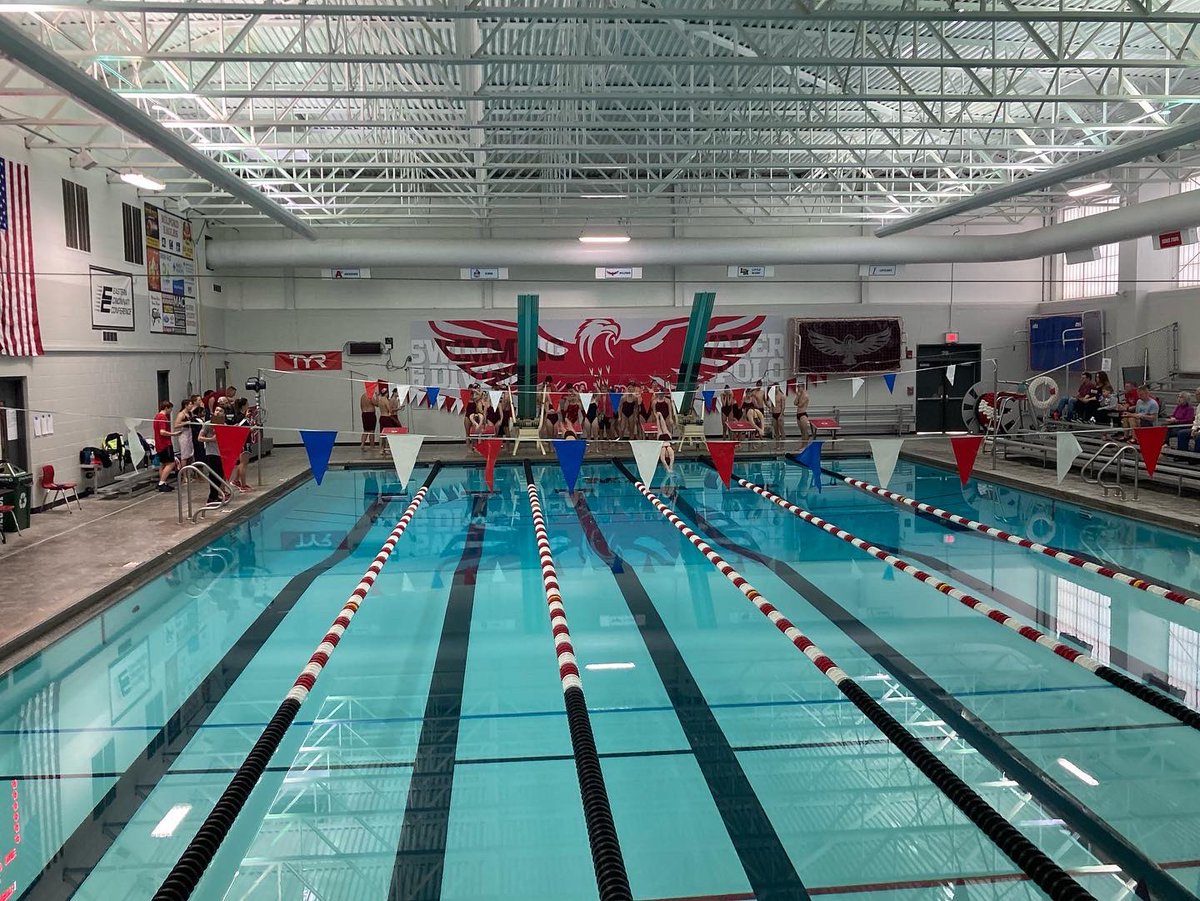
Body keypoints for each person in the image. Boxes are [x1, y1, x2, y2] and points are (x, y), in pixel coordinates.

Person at [152, 400, 177, 491]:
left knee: (163, 464)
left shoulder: (156, 416)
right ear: (166, 408)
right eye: (170, 409)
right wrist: (173, 434)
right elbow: (162, 432)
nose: (171, 411)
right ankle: (161, 482)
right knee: (171, 463)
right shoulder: (162, 417)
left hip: (159, 444)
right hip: (165, 444)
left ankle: (163, 482)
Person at [173, 396, 196, 470]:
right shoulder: (181, 414)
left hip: (190, 433)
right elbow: (176, 425)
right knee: (185, 455)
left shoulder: (189, 413)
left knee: (190, 454)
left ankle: (189, 471)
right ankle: (184, 473)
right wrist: (186, 422)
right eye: (190, 404)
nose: (191, 406)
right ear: (186, 405)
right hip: (184, 434)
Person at [359, 385, 379, 452]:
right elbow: (377, 404)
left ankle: (362, 444)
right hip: (370, 415)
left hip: (364, 414)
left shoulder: (362, 396)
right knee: (371, 431)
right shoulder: (370, 396)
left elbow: (361, 405)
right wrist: (377, 396)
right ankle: (372, 446)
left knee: (365, 430)